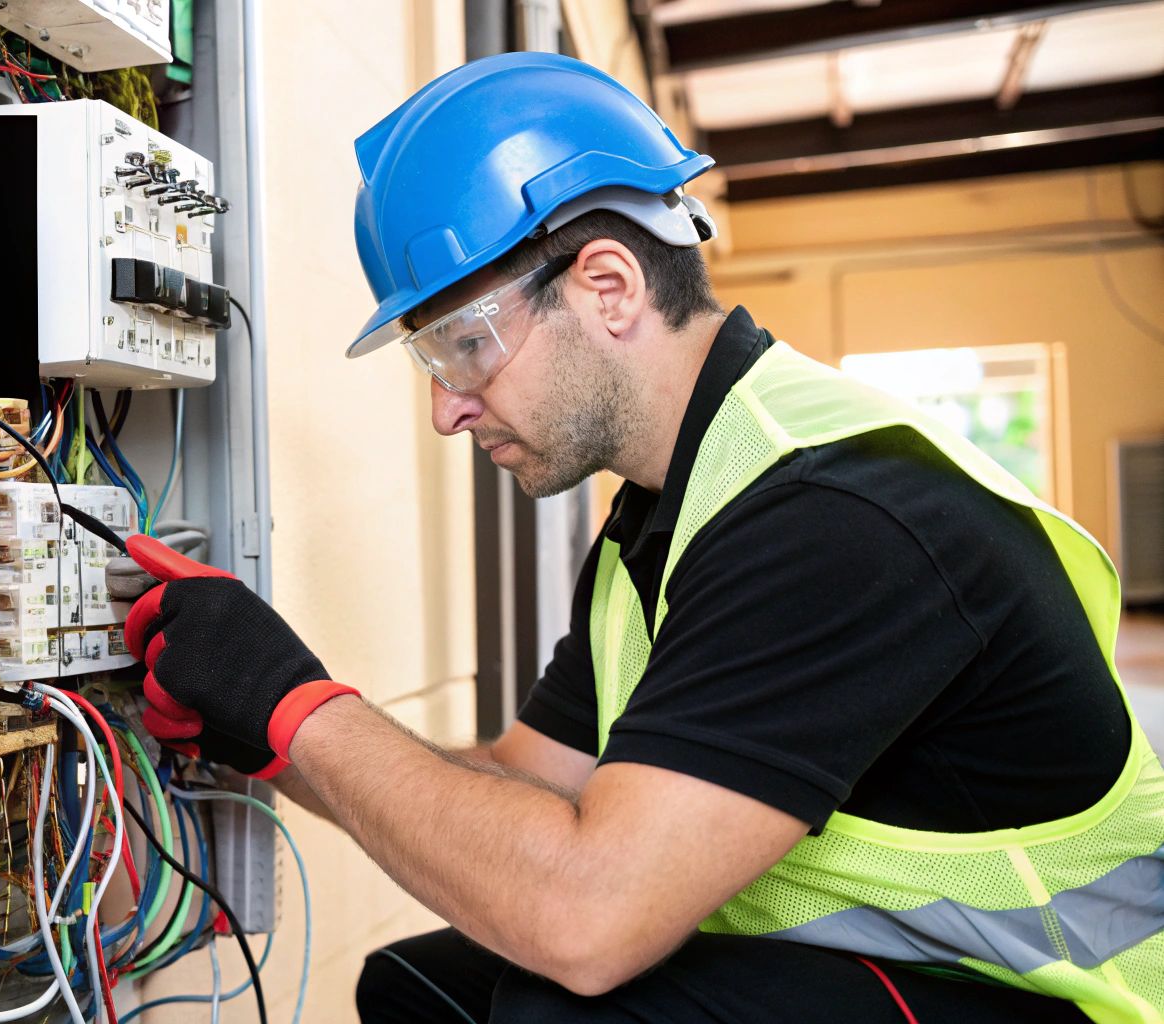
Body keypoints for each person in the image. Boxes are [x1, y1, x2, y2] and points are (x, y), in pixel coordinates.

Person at [118, 53, 1164, 1023]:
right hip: (883, 969)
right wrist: (266, 734)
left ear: (608, 287)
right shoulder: (665, 517)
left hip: (1054, 1000)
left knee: (557, 1004)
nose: (447, 410)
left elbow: (583, 919)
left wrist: (304, 711)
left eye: (462, 347)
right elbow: (523, 789)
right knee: (417, 989)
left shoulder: (831, 516)